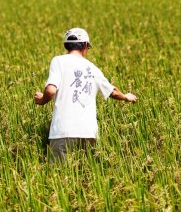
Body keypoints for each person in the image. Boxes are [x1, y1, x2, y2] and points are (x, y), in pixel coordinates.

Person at [34, 28, 137, 163]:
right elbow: (112, 91)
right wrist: (125, 97)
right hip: (89, 133)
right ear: (84, 46)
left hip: (63, 131)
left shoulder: (58, 61)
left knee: (59, 175)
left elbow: (51, 90)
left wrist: (42, 100)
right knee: (85, 177)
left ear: (66, 45)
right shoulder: (93, 68)